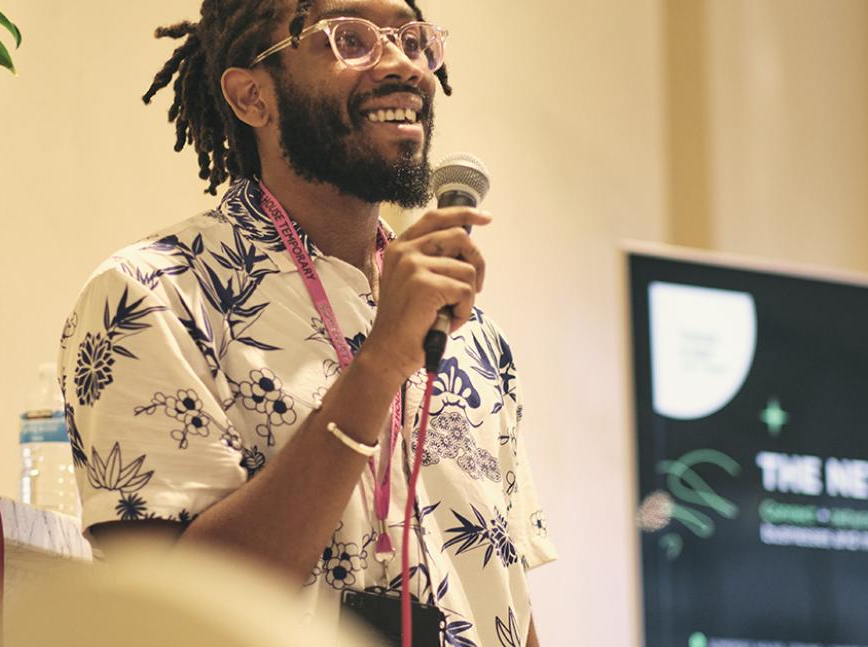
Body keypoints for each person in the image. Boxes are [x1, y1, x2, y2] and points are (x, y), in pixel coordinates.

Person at [57, 1, 556, 644]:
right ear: (251, 96)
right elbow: (167, 618)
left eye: (414, 40)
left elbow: (506, 600)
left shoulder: (475, 339)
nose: (404, 64)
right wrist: (377, 366)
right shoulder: (153, 295)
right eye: (350, 38)